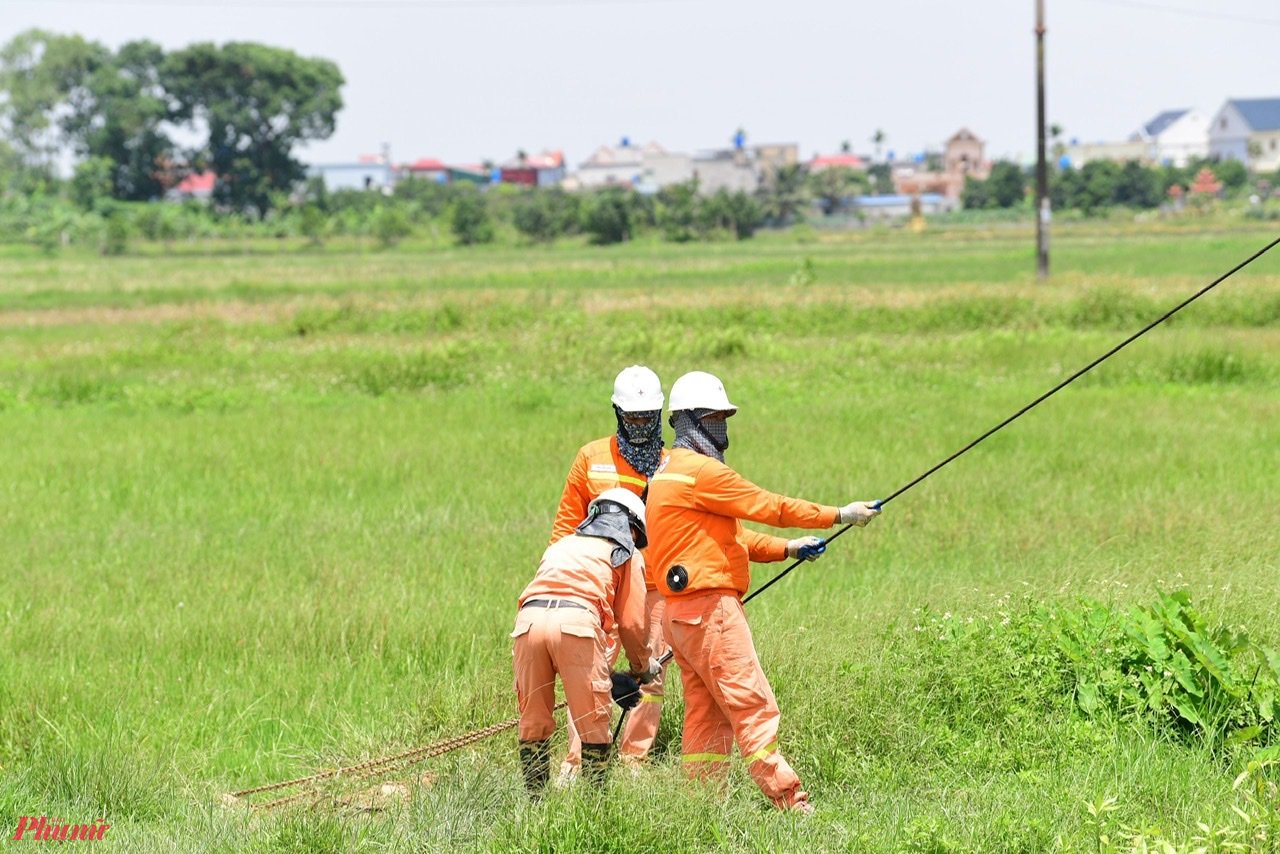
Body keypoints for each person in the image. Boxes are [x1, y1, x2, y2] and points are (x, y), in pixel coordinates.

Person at [645, 371, 881, 814]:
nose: (724, 428)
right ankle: (791, 802)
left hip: (679, 618)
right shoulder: (702, 472)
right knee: (752, 704)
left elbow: (729, 539)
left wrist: (788, 548)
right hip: (711, 612)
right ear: (691, 421)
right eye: (716, 418)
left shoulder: (666, 473)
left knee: (706, 716)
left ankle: (698, 808)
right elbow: (768, 505)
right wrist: (839, 514)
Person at [548, 365, 672, 782]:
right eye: (631, 417)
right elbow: (567, 525)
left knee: (650, 673)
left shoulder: (672, 465)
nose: (639, 425)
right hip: (598, 588)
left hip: (653, 586)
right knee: (590, 672)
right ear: (617, 413)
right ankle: (578, 761)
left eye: (646, 417)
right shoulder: (591, 458)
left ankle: (633, 762)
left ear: (658, 416)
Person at [513, 488, 661, 796]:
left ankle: (535, 805)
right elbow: (633, 624)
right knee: (594, 725)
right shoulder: (626, 552)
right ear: (631, 527)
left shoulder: (563, 544)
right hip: (576, 623)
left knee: (533, 722)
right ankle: (593, 809)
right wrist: (642, 667)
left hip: (528, 622)